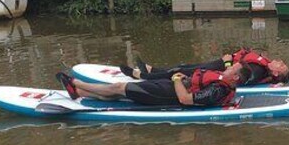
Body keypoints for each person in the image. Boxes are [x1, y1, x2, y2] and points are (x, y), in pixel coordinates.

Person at [56, 63, 250, 107]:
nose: (229, 67)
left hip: (167, 95)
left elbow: (185, 99)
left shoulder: (218, 89)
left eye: (233, 69)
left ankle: (74, 82)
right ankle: (80, 92)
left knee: (118, 88)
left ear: (234, 79)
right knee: (120, 95)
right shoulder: (222, 81)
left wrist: (176, 80)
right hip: (168, 87)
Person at [121, 47, 289, 86]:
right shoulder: (264, 66)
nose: (280, 61)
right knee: (183, 66)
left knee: (181, 72)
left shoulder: (257, 69)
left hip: (218, 70)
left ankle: (143, 76)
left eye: (281, 65)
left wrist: (226, 61)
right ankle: (151, 70)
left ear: (275, 71)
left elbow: (231, 75)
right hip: (222, 64)